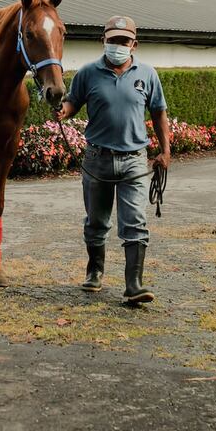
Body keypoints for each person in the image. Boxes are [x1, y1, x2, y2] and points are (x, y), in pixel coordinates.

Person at [59, 15, 171, 305]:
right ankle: (95, 271)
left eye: (123, 41)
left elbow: (159, 113)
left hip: (134, 159)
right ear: (103, 41)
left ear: (134, 44)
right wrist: (65, 111)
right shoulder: (88, 73)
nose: (118, 46)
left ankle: (133, 284)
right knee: (96, 221)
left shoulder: (147, 74)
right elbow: (73, 100)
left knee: (135, 221)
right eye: (113, 40)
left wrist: (165, 150)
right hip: (97, 158)